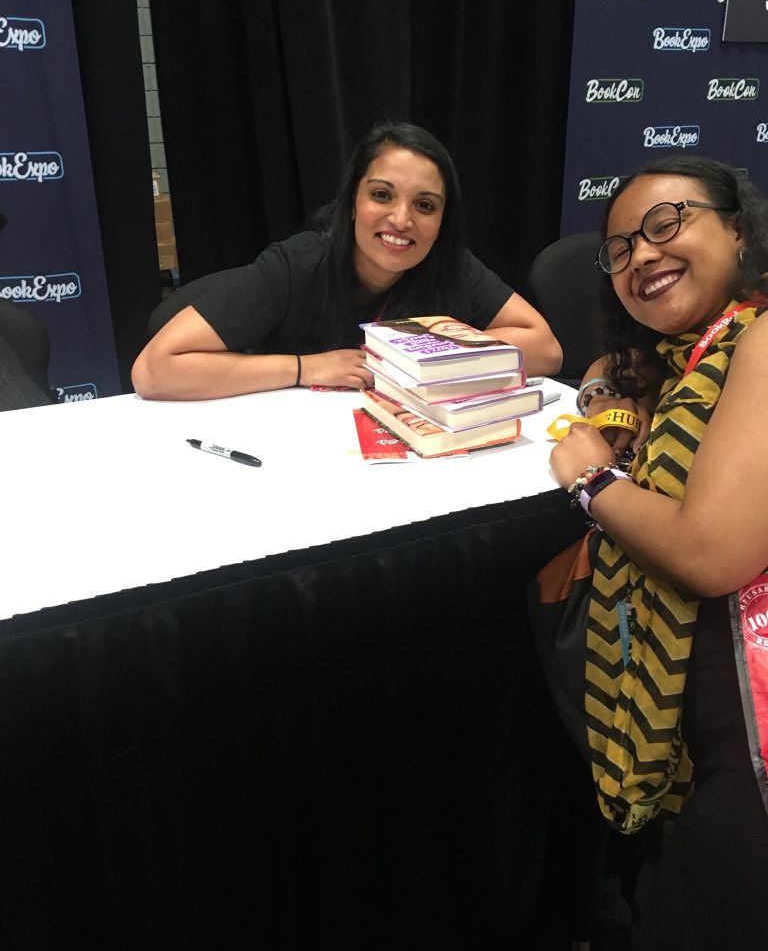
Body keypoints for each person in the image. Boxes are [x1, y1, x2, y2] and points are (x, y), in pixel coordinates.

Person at [549, 155, 768, 950]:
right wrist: (611, 401)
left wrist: (593, 481)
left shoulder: (763, 338)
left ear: (739, 231)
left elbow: (709, 554)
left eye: (666, 223)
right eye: (620, 248)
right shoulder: (696, 352)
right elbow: (610, 369)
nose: (641, 254)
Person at [131, 121, 561, 400]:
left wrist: (425, 353)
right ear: (353, 202)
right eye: (382, 195)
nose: (401, 219)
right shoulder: (293, 267)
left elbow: (545, 349)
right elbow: (153, 370)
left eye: (425, 205)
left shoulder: (450, 263)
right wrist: (304, 368)